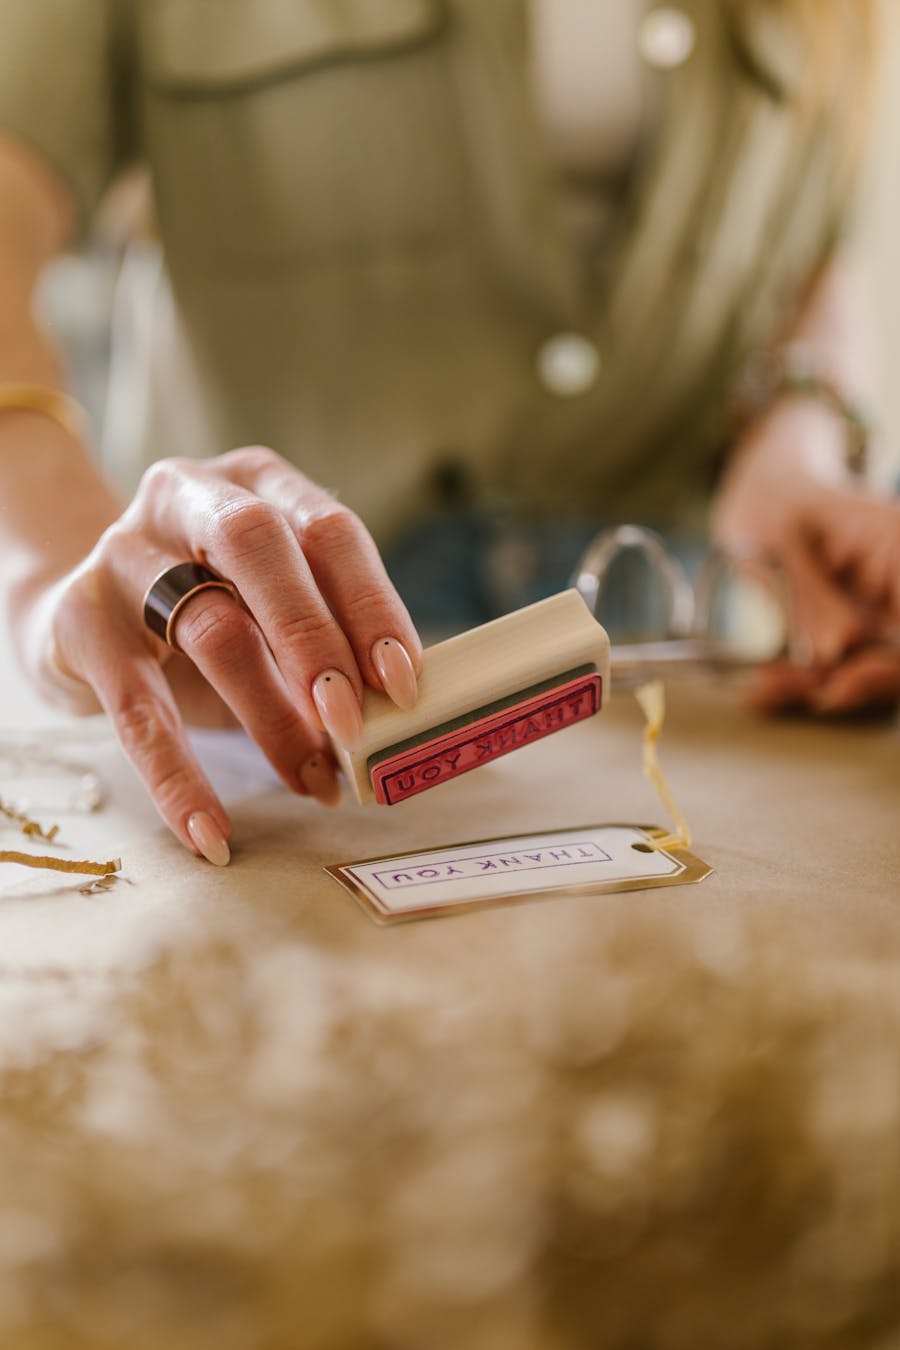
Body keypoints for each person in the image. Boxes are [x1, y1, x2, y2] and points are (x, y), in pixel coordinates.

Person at [0, 0, 897, 865]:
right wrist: (57, 574)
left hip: (688, 677)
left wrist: (799, 434)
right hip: (259, 696)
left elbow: (808, 258)